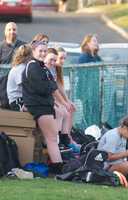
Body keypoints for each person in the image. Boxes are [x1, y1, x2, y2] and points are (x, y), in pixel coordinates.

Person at [22, 41, 69, 173]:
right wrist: (51, 89)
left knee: (52, 137)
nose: (42, 53)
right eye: (40, 51)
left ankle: (57, 164)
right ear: (33, 51)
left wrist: (63, 102)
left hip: (45, 105)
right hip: (39, 106)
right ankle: (57, 166)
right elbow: (43, 88)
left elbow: (53, 86)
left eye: (44, 51)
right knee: (52, 138)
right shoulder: (33, 67)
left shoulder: (41, 66)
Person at [44, 48, 76, 148]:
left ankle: (66, 137)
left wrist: (67, 101)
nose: (62, 61)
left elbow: (59, 87)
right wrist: (63, 103)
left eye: (64, 58)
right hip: (46, 99)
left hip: (52, 98)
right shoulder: (43, 69)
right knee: (61, 111)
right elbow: (53, 90)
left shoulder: (55, 69)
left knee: (69, 109)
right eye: (60, 58)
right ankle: (57, 139)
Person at [77, 34, 102, 126]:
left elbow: (104, 70)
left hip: (96, 91)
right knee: (87, 114)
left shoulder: (97, 57)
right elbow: (82, 76)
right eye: (94, 41)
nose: (96, 43)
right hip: (86, 92)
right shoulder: (84, 57)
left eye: (97, 41)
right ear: (87, 43)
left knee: (95, 114)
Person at [7, 44, 32, 111]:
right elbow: (25, 85)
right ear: (29, 56)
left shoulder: (23, 67)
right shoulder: (20, 68)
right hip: (17, 100)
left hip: (22, 98)